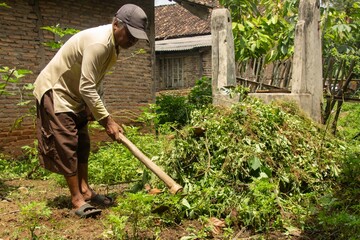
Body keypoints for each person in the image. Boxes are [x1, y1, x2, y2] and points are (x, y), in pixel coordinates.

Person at [33, 4, 149, 218]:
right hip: (56, 91)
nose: (133, 40)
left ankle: (85, 190)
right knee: (68, 144)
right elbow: (87, 85)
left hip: (76, 94)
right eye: (130, 34)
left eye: (137, 37)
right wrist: (108, 121)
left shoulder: (113, 47)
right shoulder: (99, 43)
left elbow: (96, 81)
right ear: (117, 24)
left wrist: (96, 112)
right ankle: (76, 198)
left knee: (83, 143)